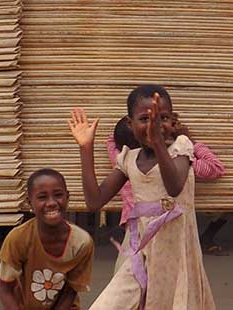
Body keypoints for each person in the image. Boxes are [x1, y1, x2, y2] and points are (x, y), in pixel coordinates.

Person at [70, 85, 215, 309]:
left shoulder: (181, 148)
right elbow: (94, 201)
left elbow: (174, 186)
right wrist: (85, 148)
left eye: (162, 118)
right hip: (141, 255)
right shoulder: (129, 158)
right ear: (130, 124)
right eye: (145, 119)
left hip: (177, 255)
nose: (154, 126)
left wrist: (158, 143)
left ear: (173, 122)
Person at [109, 114, 233, 255]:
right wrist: (187, 141)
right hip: (165, 230)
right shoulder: (175, 164)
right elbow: (215, 168)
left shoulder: (121, 158)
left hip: (133, 228)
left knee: (135, 271)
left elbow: (112, 140)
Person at [0, 169, 94, 310]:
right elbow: (6, 290)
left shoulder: (81, 242)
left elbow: (71, 290)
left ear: (67, 197)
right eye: (42, 197)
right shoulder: (18, 238)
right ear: (30, 203)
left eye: (58, 195)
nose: (51, 203)